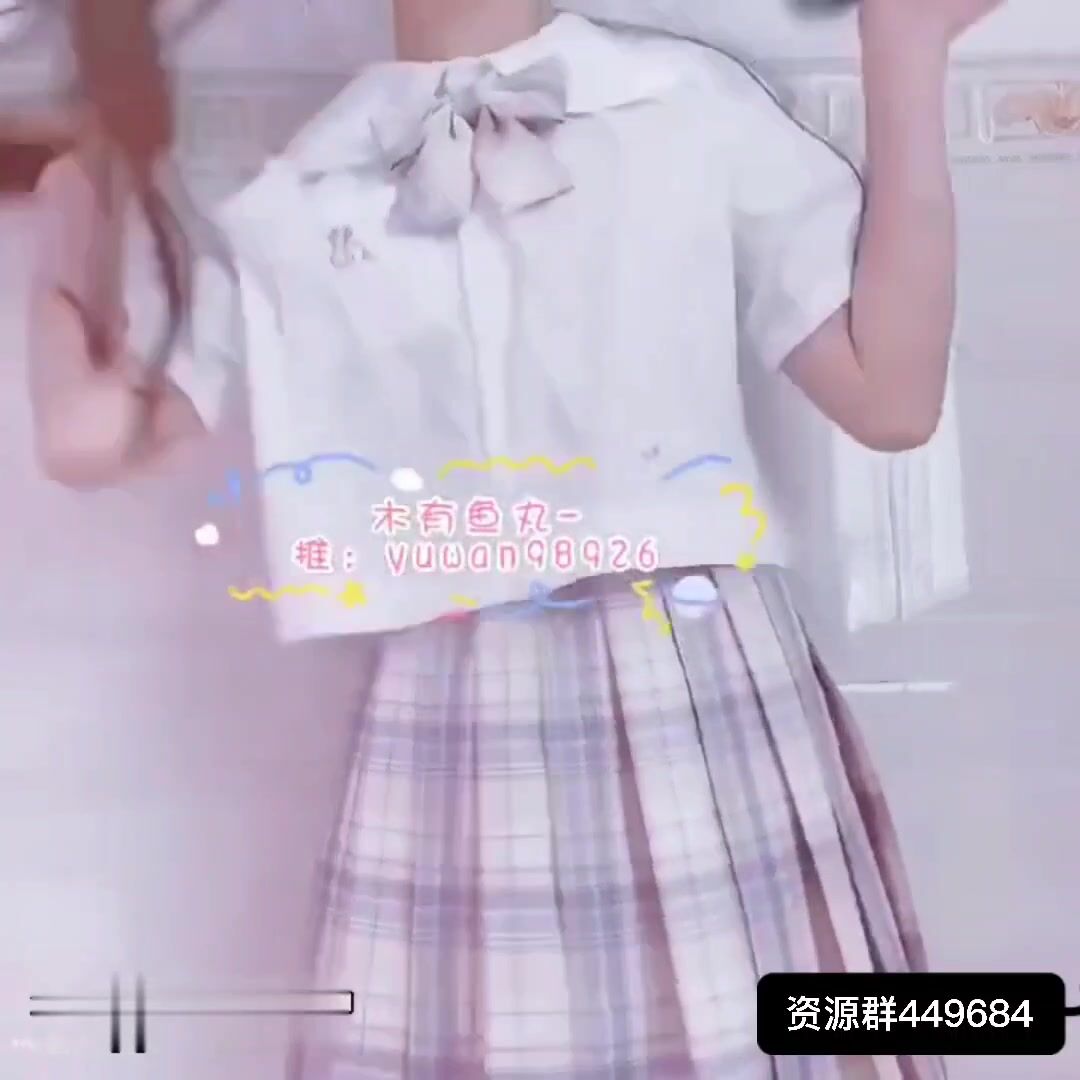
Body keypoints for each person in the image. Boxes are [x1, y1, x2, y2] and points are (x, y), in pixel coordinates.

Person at [28, 0, 999, 1074]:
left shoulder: (681, 106)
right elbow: (95, 433)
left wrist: (903, 49)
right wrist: (84, 175)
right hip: (462, 719)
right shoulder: (303, 190)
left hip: (687, 694)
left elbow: (892, 396)